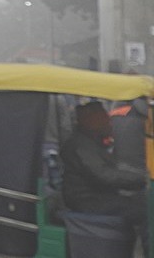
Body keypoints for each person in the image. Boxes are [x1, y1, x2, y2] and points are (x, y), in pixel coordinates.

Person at [60, 100, 146, 248]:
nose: (109, 121)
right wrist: (142, 180)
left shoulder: (89, 141)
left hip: (96, 196)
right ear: (91, 121)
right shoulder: (81, 146)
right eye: (104, 118)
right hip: (88, 200)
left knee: (142, 203)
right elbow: (104, 175)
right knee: (146, 211)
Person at [110, 97, 150, 253]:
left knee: (128, 225)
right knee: (147, 225)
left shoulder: (115, 115)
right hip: (145, 179)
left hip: (120, 178)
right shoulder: (148, 117)